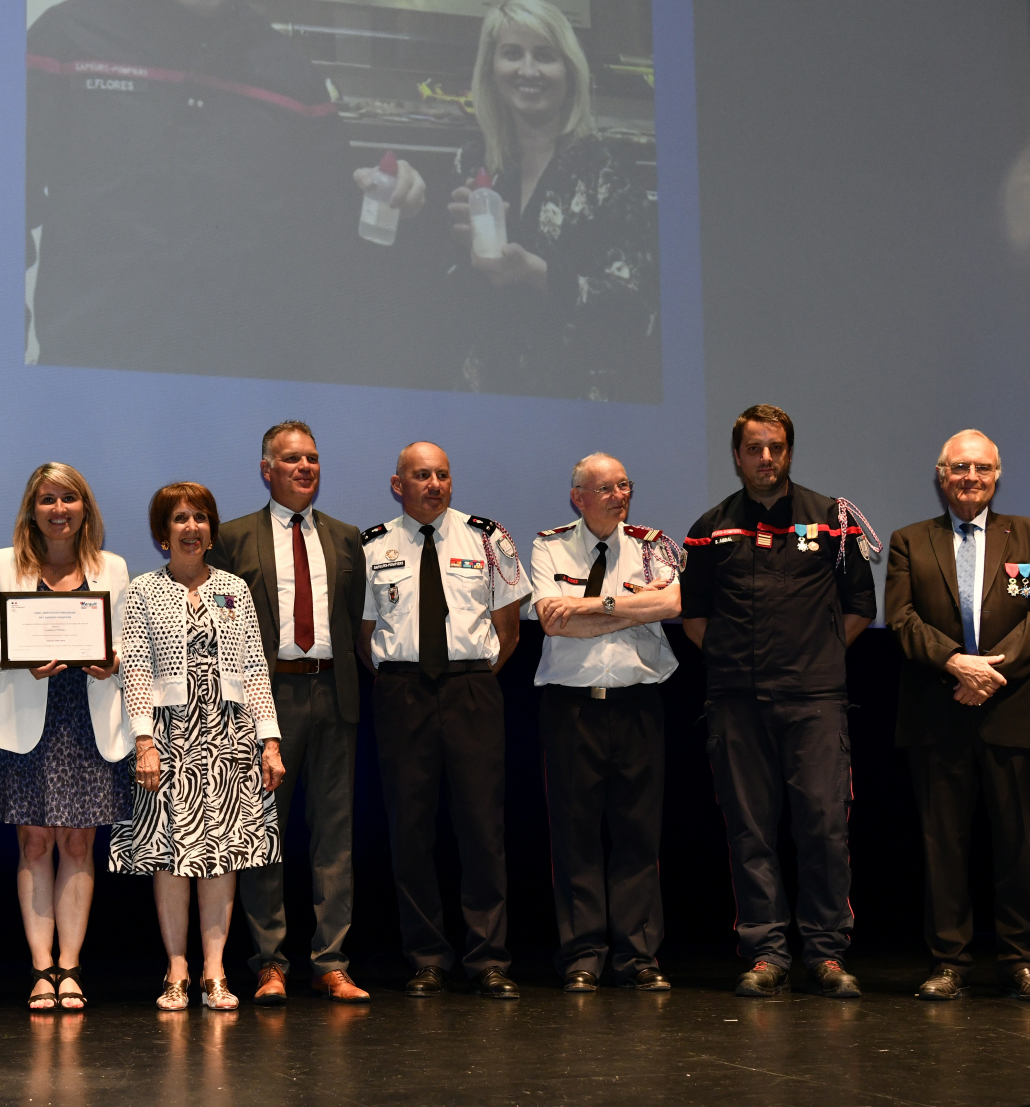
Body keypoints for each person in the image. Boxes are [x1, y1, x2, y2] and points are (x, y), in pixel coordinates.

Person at [23, 0, 424, 379]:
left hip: (238, 386)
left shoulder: (291, 74)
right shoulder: (65, 37)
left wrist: (389, 195)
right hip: (90, 374)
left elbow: (330, 234)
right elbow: (2, 210)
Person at [680, 404, 878, 999]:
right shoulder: (710, 527)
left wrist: (813, 657)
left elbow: (859, 607)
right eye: (755, 449)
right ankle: (766, 951)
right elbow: (695, 619)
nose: (767, 458)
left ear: (790, 452)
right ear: (737, 456)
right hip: (736, 703)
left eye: (777, 448)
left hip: (816, 701)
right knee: (750, 831)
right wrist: (741, 663)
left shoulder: (834, 520)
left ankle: (826, 952)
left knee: (823, 827)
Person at [883, 431, 1030, 1003]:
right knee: (944, 845)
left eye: (981, 468)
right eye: (959, 467)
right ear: (941, 475)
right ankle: (950, 960)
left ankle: (1025, 960)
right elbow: (902, 618)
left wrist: (988, 674)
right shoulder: (910, 540)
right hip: (938, 714)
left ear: (997, 475)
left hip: (1012, 710)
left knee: (1018, 844)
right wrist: (957, 665)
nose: (970, 477)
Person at [359, 442, 532, 1000]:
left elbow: (509, 629)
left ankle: (488, 958)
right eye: (421, 475)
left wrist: (472, 677)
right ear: (397, 484)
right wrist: (400, 678)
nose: (433, 484)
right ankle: (427, 957)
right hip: (403, 692)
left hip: (471, 689)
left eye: (442, 475)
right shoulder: (370, 546)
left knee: (482, 828)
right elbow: (364, 637)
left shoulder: (489, 537)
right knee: (410, 830)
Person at [205, 422, 370, 1005]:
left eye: (314, 459)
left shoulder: (347, 538)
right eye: (292, 459)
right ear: (266, 469)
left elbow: (356, 626)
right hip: (263, 699)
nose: (305, 467)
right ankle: (269, 963)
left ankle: (331, 962)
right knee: (263, 837)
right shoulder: (231, 537)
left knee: (335, 838)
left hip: (334, 695)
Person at [110, 483, 285, 1012]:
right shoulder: (142, 590)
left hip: (228, 737)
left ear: (211, 529)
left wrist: (269, 740)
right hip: (167, 738)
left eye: (201, 518)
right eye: (180, 518)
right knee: (170, 856)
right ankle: (177, 970)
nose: (192, 527)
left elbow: (255, 670)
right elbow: (135, 669)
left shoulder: (234, 588)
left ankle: (215, 970)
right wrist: (144, 740)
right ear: (163, 532)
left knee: (223, 857)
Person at [0, 463, 131, 1012]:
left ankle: (71, 966)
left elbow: (127, 644)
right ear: (31, 510)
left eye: (68, 499)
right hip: (24, 717)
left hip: (88, 719)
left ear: (85, 507)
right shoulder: (3, 564)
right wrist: (18, 659)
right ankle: (41, 970)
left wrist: (113, 662)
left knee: (80, 845)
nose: (58, 510)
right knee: (35, 844)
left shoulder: (112, 567)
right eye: (46, 500)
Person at [443, 0, 657, 401]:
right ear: (491, 68)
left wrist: (535, 273)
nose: (527, 71)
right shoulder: (473, 162)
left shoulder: (607, 171)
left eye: (544, 56)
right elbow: (446, 293)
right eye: (512, 54)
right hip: (482, 393)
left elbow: (636, 310)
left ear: (570, 73)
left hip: (574, 405)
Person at [527, 453, 683, 993]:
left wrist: (592, 606)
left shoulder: (654, 543)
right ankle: (582, 955)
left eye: (625, 485)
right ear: (579, 497)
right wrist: (631, 608)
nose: (621, 495)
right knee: (576, 837)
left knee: (638, 834)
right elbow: (551, 619)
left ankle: (639, 956)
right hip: (572, 708)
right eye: (608, 488)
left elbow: (675, 603)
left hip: (639, 704)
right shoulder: (550, 543)